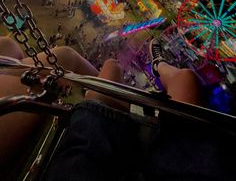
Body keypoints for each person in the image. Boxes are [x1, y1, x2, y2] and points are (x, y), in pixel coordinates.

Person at [0, 36, 235, 180]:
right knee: (185, 79)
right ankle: (159, 65)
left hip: (85, 164)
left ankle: (156, 69)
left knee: (180, 80)